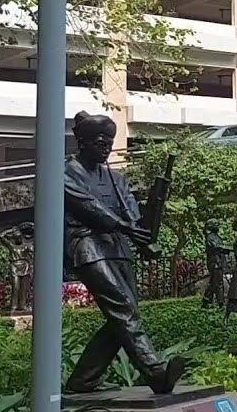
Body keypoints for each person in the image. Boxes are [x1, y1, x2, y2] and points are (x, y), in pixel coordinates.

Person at [63, 111, 184, 395]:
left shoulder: (117, 179)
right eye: (100, 142)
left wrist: (148, 221)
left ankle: (83, 380)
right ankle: (156, 373)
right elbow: (87, 205)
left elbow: (132, 215)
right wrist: (124, 226)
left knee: (124, 314)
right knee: (124, 309)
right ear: (82, 142)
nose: (106, 147)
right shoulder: (65, 172)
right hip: (87, 245)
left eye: (109, 142)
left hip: (118, 246)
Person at [0, 222, 35, 314]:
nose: (19, 239)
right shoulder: (12, 246)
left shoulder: (26, 246)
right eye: (16, 237)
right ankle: (14, 306)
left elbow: (34, 250)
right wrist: (13, 230)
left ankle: (22, 306)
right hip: (15, 266)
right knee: (15, 286)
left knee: (24, 287)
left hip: (25, 266)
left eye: (20, 237)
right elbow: (1, 236)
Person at [202, 219, 230, 309]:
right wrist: (228, 249)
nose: (218, 226)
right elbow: (217, 247)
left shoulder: (216, 236)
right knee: (218, 283)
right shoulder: (210, 237)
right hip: (214, 262)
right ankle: (221, 303)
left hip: (218, 262)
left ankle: (206, 299)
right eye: (216, 224)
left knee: (214, 282)